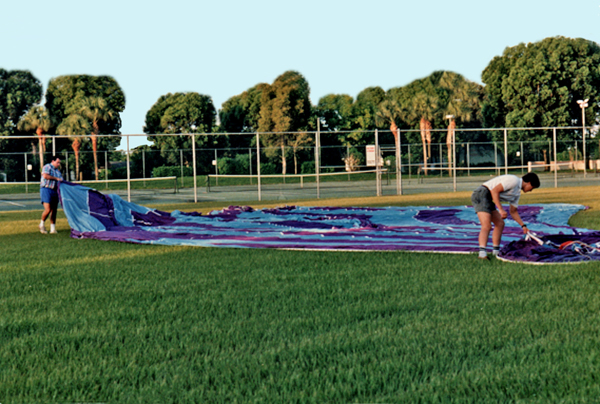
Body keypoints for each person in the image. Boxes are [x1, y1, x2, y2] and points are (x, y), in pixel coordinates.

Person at [471, 172, 540, 259]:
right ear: (529, 183)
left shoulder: (517, 193)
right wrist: (501, 209)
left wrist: (523, 226)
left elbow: (513, 211)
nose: (530, 190)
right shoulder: (514, 181)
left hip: (488, 198)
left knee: (500, 224)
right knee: (487, 226)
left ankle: (496, 251)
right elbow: (494, 191)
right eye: (532, 188)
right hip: (482, 194)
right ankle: (482, 253)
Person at [39, 156, 63, 234]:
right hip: (46, 189)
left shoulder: (58, 171)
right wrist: (56, 178)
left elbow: (61, 180)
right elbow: (45, 176)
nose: (58, 164)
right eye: (57, 162)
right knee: (48, 209)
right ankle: (41, 224)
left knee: (54, 210)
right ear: (53, 161)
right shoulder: (47, 166)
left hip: (55, 191)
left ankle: (53, 229)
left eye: (59, 162)